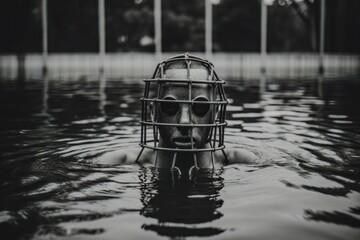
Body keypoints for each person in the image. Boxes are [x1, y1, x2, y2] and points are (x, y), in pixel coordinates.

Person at [97, 54, 257, 173]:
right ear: (153, 112)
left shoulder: (244, 162)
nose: (184, 122)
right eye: (170, 107)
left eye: (200, 108)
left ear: (215, 113)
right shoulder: (117, 162)